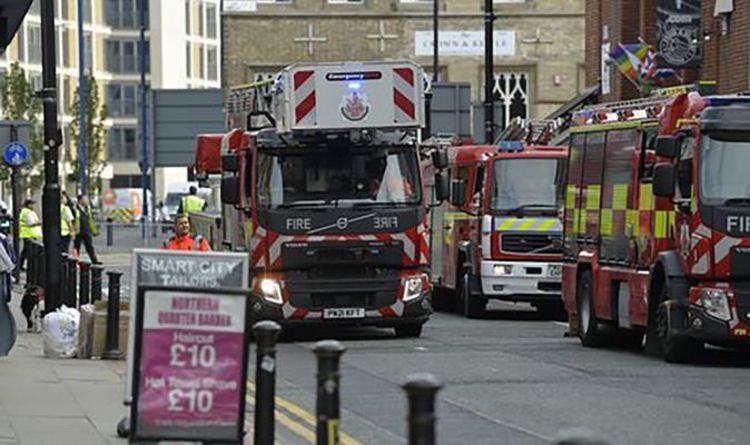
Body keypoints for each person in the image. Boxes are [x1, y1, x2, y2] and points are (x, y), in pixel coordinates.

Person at [74, 195, 100, 264]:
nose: (87, 200)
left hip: (86, 231)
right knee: (76, 247)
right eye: (85, 199)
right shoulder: (75, 209)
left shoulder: (87, 209)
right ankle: (75, 261)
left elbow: (91, 220)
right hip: (78, 231)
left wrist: (94, 231)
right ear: (80, 200)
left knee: (89, 247)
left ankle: (94, 260)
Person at [17, 198, 42, 272]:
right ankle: (26, 266)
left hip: (29, 234)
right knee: (29, 252)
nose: (33, 205)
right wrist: (39, 223)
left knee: (25, 251)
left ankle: (21, 265)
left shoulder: (28, 211)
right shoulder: (27, 212)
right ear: (28, 204)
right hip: (28, 234)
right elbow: (30, 223)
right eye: (32, 204)